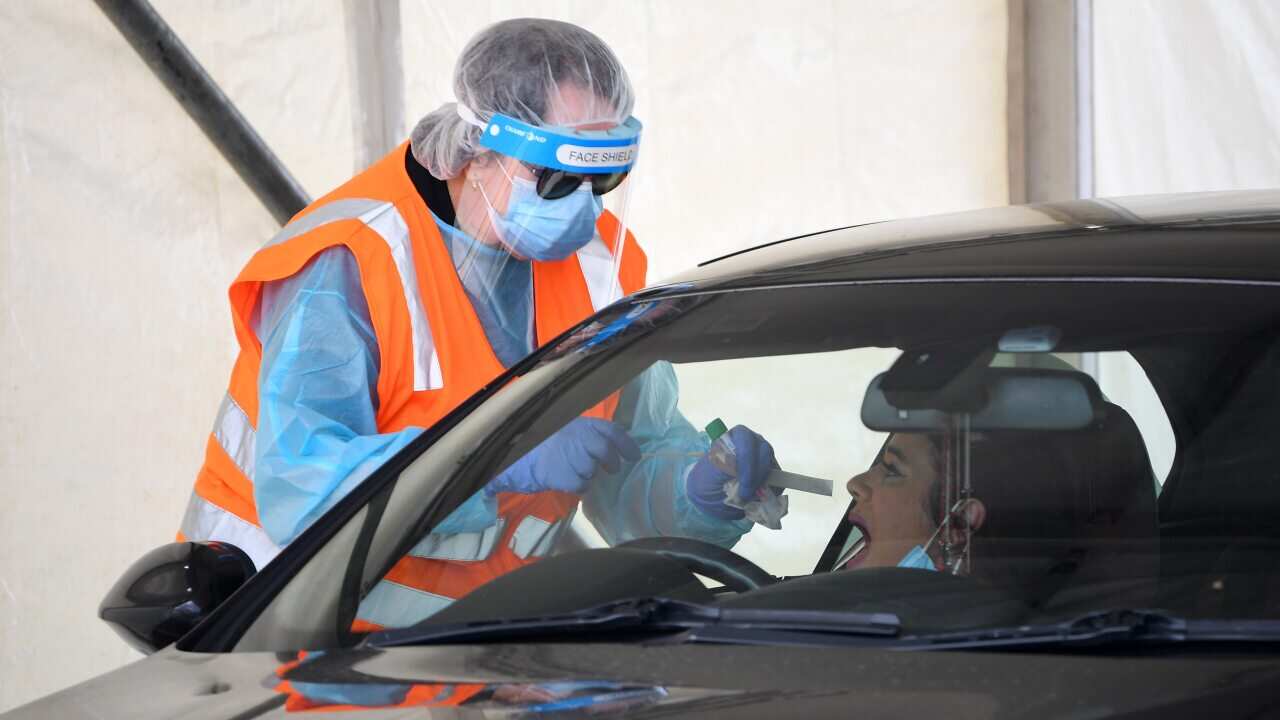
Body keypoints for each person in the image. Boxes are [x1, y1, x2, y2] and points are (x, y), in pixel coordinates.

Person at [178, 19, 780, 627]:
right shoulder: (352, 261)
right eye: (559, 179)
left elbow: (636, 462)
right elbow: (302, 490)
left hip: (473, 647)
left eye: (604, 181)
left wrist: (702, 488)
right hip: (279, 630)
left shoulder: (600, 270)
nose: (584, 208)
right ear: (477, 148)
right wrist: (494, 460)